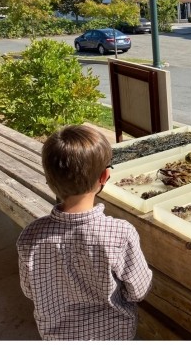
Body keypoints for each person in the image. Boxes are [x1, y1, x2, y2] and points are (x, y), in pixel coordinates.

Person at [16, 125, 153, 340]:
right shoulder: (120, 234)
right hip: (114, 335)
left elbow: (30, 290)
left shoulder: (30, 237)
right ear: (104, 176)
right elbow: (138, 290)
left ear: (49, 180)